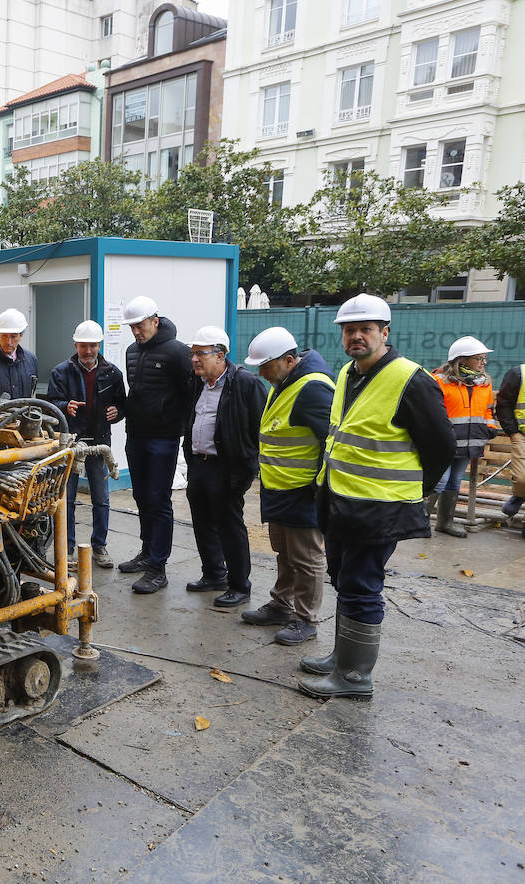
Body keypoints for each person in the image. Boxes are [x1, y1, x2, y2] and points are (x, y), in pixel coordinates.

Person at [298, 294, 453, 699]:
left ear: (384, 333)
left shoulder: (411, 380)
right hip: (341, 500)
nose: (356, 337)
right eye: (349, 330)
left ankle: (354, 678)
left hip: (379, 508)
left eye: (365, 329)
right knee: (345, 581)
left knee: (362, 586)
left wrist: (414, 495)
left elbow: (440, 447)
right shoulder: (350, 374)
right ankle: (341, 658)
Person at [240, 327, 335, 645]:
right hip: (279, 489)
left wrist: (320, 488)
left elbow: (332, 442)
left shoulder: (313, 389)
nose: (263, 374)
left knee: (307, 558)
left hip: (302, 492)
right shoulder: (284, 383)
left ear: (290, 360)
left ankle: (306, 618)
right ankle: (281, 605)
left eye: (266, 366)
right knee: (285, 553)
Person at [180, 326, 267, 610]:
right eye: (193, 353)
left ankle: (239, 585)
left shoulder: (245, 383)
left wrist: (245, 471)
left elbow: (258, 431)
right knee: (202, 523)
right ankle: (214, 574)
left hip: (226, 468)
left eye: (200, 354)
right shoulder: (198, 383)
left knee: (230, 527)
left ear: (220, 355)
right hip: (199, 464)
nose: (194, 359)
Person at [117, 296, 193, 594]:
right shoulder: (131, 351)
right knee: (141, 497)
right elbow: (134, 392)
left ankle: (158, 568)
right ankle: (147, 552)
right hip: (136, 435)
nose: (136, 332)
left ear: (155, 321)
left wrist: (179, 427)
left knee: (159, 500)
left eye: (140, 325)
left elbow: (190, 393)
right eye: (132, 327)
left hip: (163, 437)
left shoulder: (177, 351)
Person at [47, 320, 126, 568]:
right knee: (67, 499)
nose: (89, 351)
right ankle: (67, 548)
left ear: (99, 345)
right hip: (71, 444)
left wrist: (118, 412)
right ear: (76, 345)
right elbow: (51, 404)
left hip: (100, 445)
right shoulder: (61, 372)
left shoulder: (113, 373)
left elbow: (122, 404)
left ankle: (99, 547)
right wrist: (64, 406)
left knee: (101, 499)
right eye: (84, 346)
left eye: (93, 346)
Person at [428, 337, 498, 538]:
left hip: (470, 441)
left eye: (484, 359)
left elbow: (487, 410)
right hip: (444, 443)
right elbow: (432, 413)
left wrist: (489, 428)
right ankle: (419, 523)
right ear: (463, 360)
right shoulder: (439, 381)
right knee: (440, 481)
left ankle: (445, 524)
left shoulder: (484, 383)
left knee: (455, 481)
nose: (483, 363)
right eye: (479, 358)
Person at [493, 361, 525, 531]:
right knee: (521, 478)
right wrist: (513, 432)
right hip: (522, 434)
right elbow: (503, 404)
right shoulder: (518, 373)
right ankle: (519, 495)